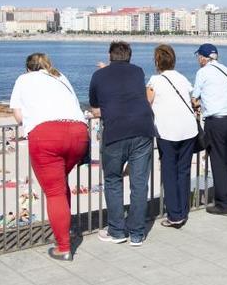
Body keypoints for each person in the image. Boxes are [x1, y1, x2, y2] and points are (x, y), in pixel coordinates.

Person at [10, 52, 88, 260]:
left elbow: (18, 115)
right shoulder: (60, 76)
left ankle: (63, 247)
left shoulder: (23, 79)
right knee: (61, 187)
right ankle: (66, 232)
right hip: (79, 133)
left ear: (28, 68)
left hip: (47, 136)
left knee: (54, 192)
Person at [89, 42, 155, 246]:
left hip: (116, 131)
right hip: (143, 129)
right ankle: (137, 233)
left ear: (110, 56)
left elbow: (94, 104)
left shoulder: (99, 75)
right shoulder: (138, 71)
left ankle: (117, 231)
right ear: (129, 56)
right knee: (139, 182)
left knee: (113, 180)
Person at [146, 44, 199, 228]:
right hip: (188, 130)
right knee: (183, 171)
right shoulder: (182, 78)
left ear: (157, 61)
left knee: (169, 171)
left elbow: (147, 103)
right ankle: (183, 211)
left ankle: (174, 214)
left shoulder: (155, 81)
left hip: (168, 132)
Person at [192, 43, 227, 215]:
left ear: (203, 58)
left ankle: (223, 204)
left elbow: (194, 97)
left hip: (216, 121)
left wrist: (197, 104)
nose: (198, 60)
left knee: (217, 162)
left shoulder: (202, 72)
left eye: (199, 57)